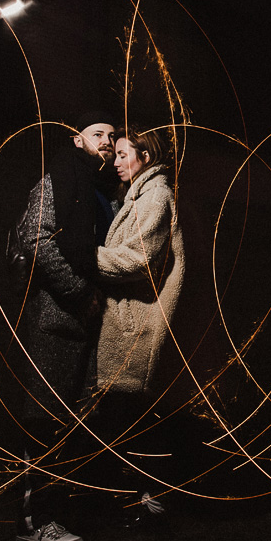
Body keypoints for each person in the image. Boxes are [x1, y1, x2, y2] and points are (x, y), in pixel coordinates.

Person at [11, 111, 120, 541]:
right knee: (43, 423)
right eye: (98, 134)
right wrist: (79, 292)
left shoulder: (103, 191)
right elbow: (32, 237)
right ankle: (32, 524)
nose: (108, 142)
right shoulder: (59, 179)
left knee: (73, 424)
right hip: (55, 322)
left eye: (112, 136)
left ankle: (54, 515)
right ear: (78, 141)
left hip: (87, 326)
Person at [93, 127, 185, 517]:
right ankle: (137, 498)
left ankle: (147, 501)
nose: (114, 162)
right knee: (124, 416)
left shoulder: (156, 196)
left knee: (130, 416)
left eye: (122, 154)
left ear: (146, 157)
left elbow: (140, 259)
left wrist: (86, 257)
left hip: (137, 322)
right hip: (127, 318)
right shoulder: (138, 195)